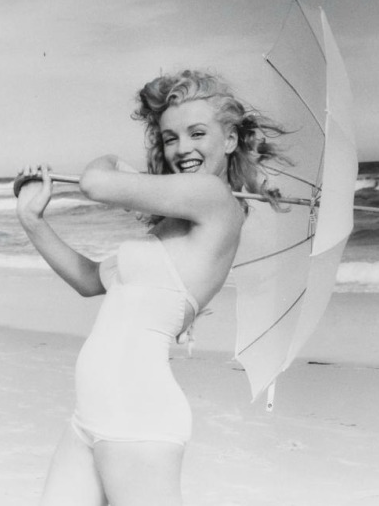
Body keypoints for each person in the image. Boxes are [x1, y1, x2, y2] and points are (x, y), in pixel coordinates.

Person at [16, 70, 287, 506]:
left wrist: (106, 158)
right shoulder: (173, 227)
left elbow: (96, 183)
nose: (182, 148)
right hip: (91, 415)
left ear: (231, 140)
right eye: (169, 137)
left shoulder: (215, 200)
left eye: (198, 133)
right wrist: (31, 219)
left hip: (137, 418)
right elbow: (89, 281)